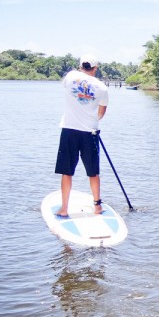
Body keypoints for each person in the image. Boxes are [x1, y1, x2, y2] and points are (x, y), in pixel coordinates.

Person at [54, 54, 109, 217]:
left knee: (67, 172)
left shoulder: (71, 76)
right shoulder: (102, 88)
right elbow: (101, 112)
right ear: (95, 68)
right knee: (93, 172)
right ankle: (97, 207)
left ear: (80, 67)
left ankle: (64, 209)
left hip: (69, 130)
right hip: (89, 133)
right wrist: (92, 120)